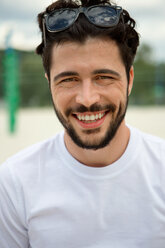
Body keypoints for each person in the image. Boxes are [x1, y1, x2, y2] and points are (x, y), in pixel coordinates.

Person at [0, 0, 165, 247]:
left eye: (104, 77)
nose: (87, 99)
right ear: (49, 83)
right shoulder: (15, 182)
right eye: (69, 79)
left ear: (129, 80)